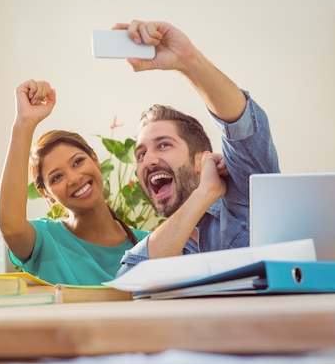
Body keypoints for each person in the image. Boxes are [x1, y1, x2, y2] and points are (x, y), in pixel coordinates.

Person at [115, 19, 279, 275]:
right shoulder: (160, 246)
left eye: (164, 144)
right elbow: (128, 278)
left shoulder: (247, 198)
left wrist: (187, 60)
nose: (148, 160)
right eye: (141, 154)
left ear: (201, 160)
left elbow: (241, 126)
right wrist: (204, 194)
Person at [0, 79, 150, 285]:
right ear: (46, 194)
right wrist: (24, 123)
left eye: (78, 162)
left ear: (94, 158)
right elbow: (11, 228)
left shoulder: (147, 243)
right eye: (57, 177)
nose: (74, 178)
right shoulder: (45, 240)